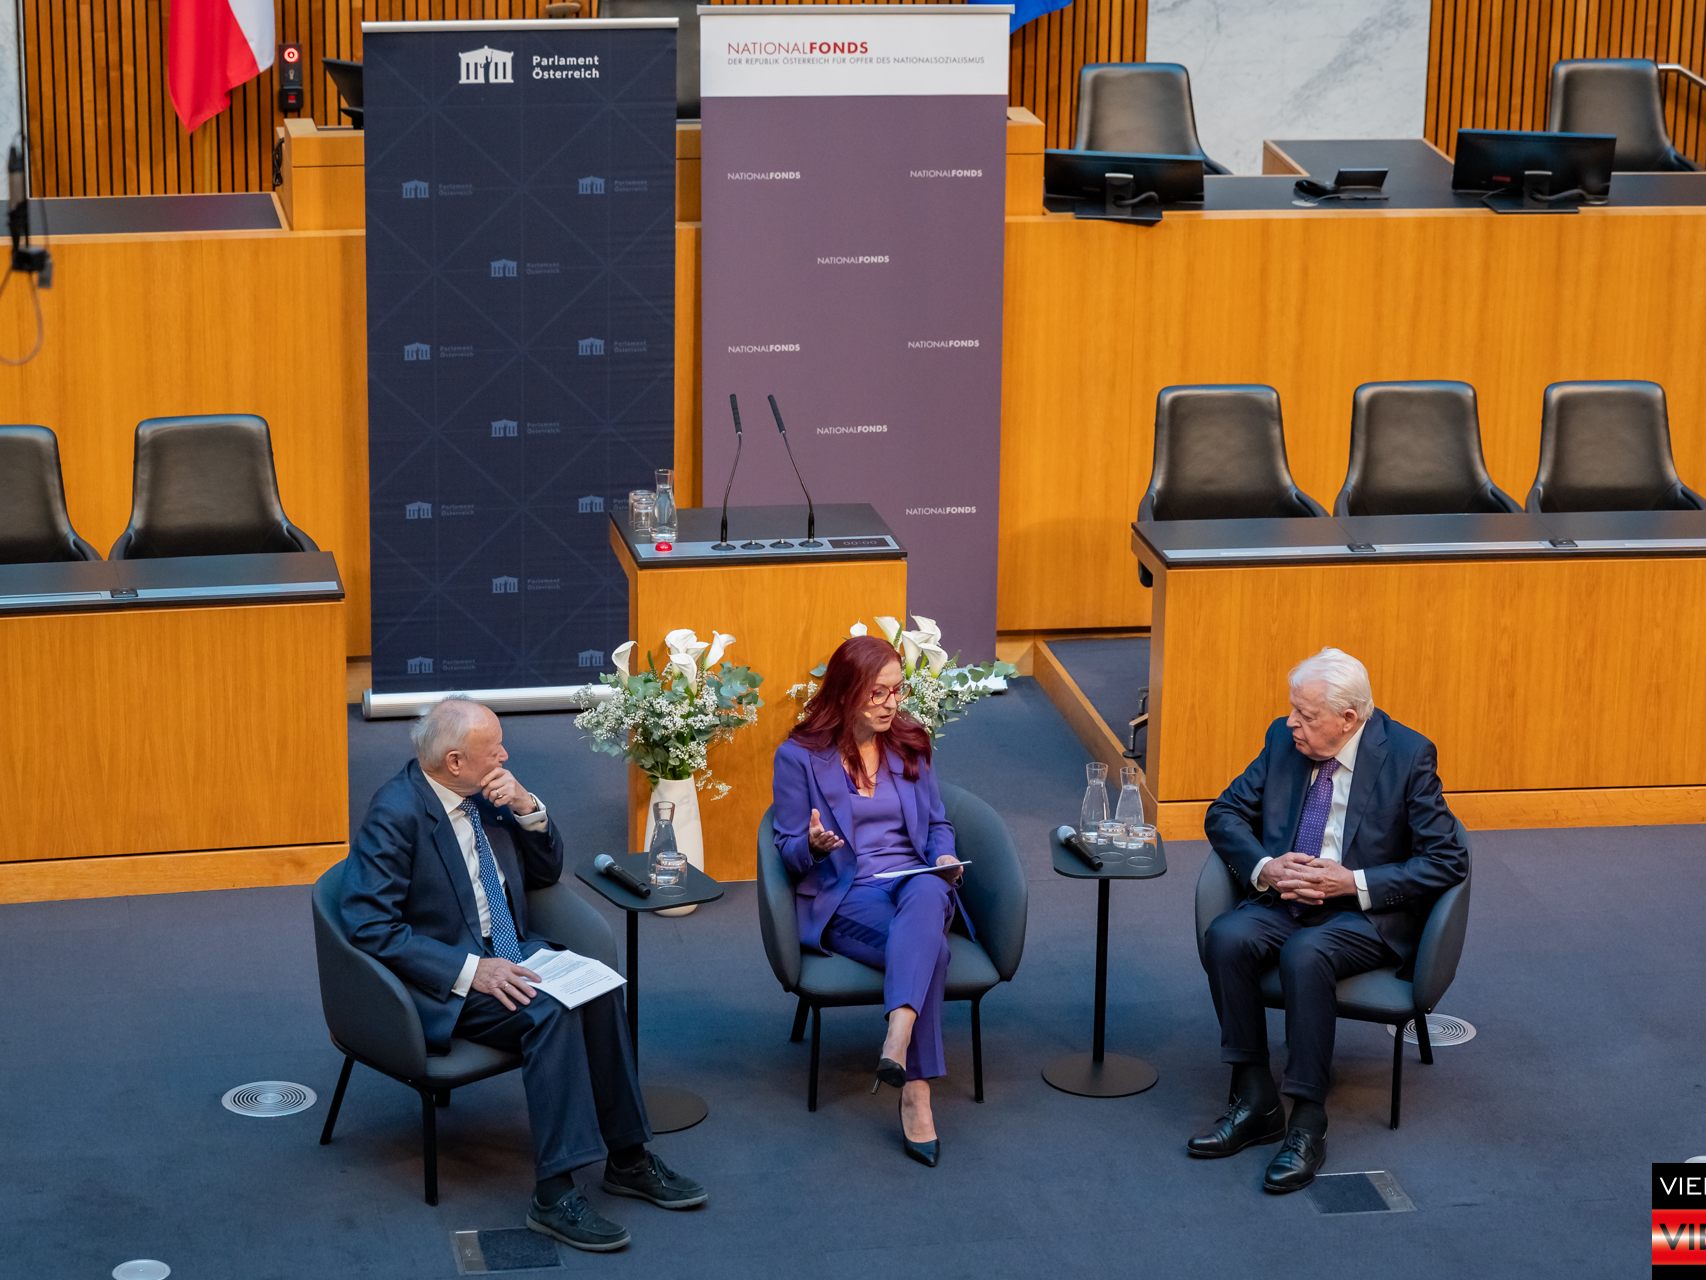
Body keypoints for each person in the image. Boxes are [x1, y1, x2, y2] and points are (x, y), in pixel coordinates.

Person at [339, 696, 706, 1251]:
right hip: (449, 978)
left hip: (514, 949)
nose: (507, 755)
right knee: (550, 1013)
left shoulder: (487, 792)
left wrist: (529, 807)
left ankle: (627, 1157)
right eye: (495, 749)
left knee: (601, 992)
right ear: (456, 760)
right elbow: (368, 926)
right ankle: (553, 1194)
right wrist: (471, 969)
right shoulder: (397, 812)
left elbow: (544, 872)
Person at [1191, 648, 1468, 1193]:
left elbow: (1446, 860)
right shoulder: (1282, 740)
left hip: (1363, 916)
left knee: (1306, 953)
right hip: (1285, 900)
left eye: (1306, 715)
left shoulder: (1408, 756)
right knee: (1226, 936)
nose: (1292, 722)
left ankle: (1308, 1121)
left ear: (1349, 719)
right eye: (1292, 709)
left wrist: (1354, 882)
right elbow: (1223, 812)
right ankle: (1254, 1099)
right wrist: (1267, 867)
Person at [771, 634, 968, 1167]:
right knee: (936, 953)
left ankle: (897, 1039)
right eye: (878, 694)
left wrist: (944, 857)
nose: (890, 704)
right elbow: (786, 849)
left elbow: (939, 824)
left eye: (897, 691)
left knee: (930, 886)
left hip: (915, 881)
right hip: (849, 893)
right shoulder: (798, 758)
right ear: (847, 692)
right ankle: (916, 1088)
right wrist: (810, 846)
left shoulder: (910, 741)